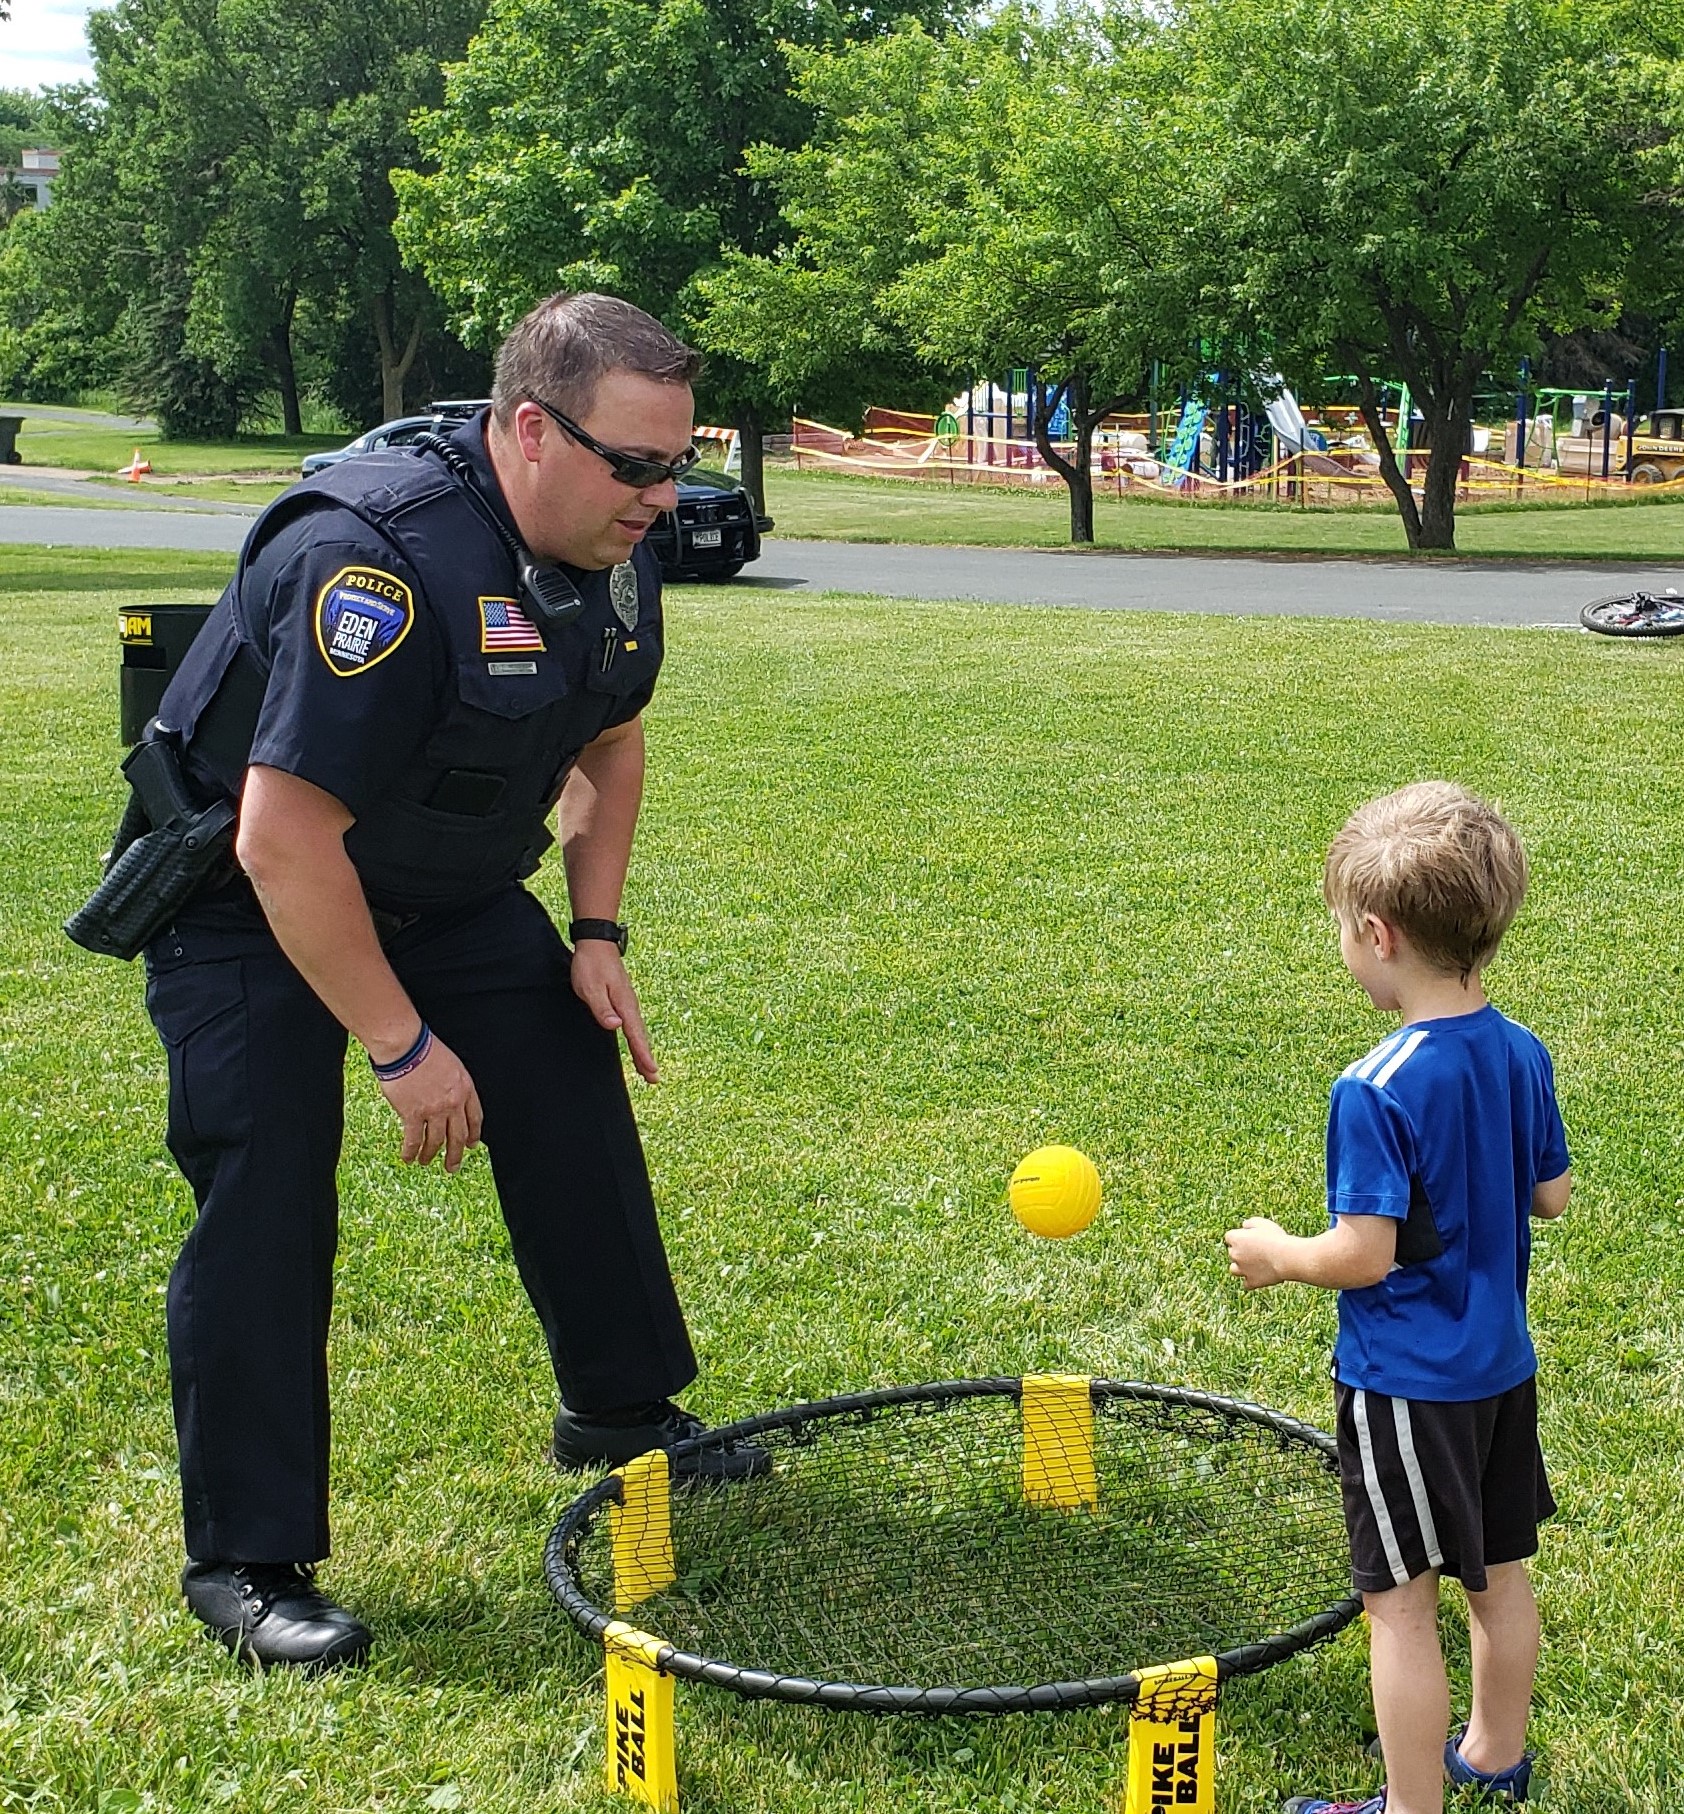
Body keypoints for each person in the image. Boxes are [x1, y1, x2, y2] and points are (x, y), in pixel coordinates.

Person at [137, 292, 763, 1674]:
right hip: (252, 902)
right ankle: (245, 1557)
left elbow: (613, 740)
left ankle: (619, 1408)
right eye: (636, 465)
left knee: (560, 1065)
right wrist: (401, 1042)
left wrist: (595, 937)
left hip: (451, 887)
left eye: (679, 463)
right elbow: (280, 834)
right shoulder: (377, 561)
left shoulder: (610, 542)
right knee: (266, 1177)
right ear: (529, 430)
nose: (663, 498)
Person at [1223, 782, 1569, 1814]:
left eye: (1340, 928)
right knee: (1498, 1573)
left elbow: (1364, 1254)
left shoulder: (1372, 1085)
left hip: (1405, 1386)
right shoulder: (1519, 1049)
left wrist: (1281, 1251)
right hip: (1501, 1370)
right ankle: (1494, 1758)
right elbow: (1551, 1193)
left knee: (1396, 1605)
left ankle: (1411, 1807)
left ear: (1376, 934)